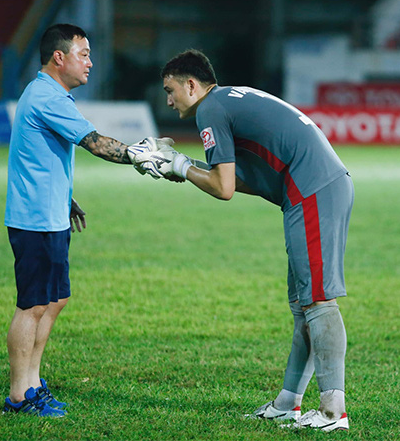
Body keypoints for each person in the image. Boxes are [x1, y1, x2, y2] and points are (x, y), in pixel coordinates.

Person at [135, 49, 354, 432]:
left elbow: (223, 190)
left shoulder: (210, 110)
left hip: (313, 189)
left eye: (170, 90)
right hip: (312, 187)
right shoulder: (228, 99)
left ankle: (334, 412)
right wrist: (184, 168)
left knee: (319, 301)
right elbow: (237, 181)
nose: (168, 100)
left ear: (191, 84)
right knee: (305, 306)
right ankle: (289, 403)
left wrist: (180, 166)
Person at [3, 23, 147, 416]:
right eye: (83, 54)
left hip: (50, 214)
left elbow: (44, 157)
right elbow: (96, 143)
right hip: (34, 219)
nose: (90, 62)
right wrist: (146, 158)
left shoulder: (49, 94)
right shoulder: (48, 97)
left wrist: (66, 198)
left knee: (56, 299)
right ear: (59, 57)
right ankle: (20, 395)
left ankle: (32, 382)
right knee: (31, 305)